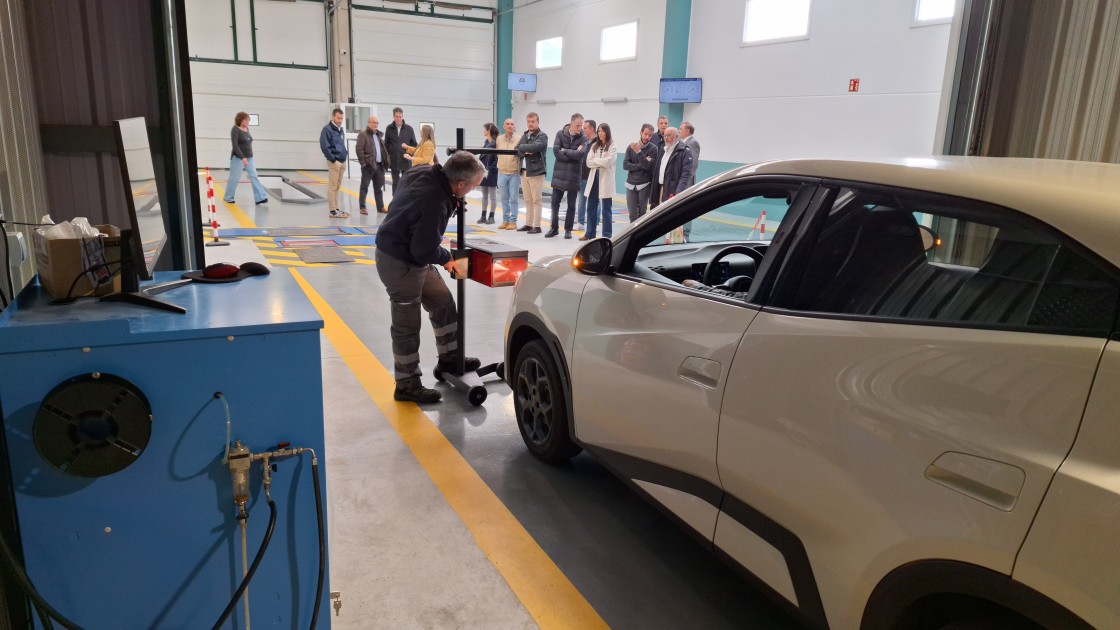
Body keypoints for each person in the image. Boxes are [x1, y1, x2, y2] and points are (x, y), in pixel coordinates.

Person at [373, 151, 487, 403]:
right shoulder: (434, 202)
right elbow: (423, 249)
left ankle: (449, 360)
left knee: (443, 302)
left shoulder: (425, 171)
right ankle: (406, 384)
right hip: (398, 262)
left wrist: (452, 201)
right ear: (460, 184)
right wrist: (447, 258)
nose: (471, 191)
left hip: (414, 258)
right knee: (407, 325)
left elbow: (406, 187)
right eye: (472, 187)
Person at [546, 113, 585, 238]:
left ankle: (568, 229)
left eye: (581, 125)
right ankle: (554, 227)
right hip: (559, 175)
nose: (580, 128)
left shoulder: (583, 137)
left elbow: (581, 155)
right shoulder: (560, 134)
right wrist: (573, 153)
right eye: (578, 125)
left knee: (571, 205)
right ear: (571, 123)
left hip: (574, 176)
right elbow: (556, 152)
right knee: (554, 203)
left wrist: (566, 151)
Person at [223, 112, 269, 206]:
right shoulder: (235, 129)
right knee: (234, 178)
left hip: (250, 157)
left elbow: (247, 142)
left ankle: (260, 197)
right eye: (246, 120)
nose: (248, 121)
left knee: (254, 176)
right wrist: (242, 157)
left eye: (248, 120)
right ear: (240, 119)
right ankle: (228, 197)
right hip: (238, 158)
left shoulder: (247, 129)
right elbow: (235, 145)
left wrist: (248, 156)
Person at [581, 123, 617, 241]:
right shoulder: (594, 146)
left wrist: (596, 161)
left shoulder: (612, 146)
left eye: (603, 131)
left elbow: (608, 162)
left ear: (607, 132)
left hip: (605, 180)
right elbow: (588, 162)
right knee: (591, 206)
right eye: (599, 131)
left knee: (606, 209)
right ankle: (589, 233)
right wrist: (600, 161)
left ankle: (607, 235)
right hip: (594, 178)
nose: (600, 133)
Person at [515, 112, 548, 234]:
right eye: (528, 122)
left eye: (533, 121)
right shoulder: (525, 135)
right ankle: (528, 224)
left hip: (536, 172)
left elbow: (535, 147)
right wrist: (524, 150)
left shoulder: (542, 136)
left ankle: (537, 226)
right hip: (524, 172)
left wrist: (523, 148)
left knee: (536, 200)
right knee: (527, 199)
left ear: (538, 122)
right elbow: (516, 150)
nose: (530, 124)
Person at [652, 127, 694, 210]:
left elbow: (686, 174)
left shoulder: (684, 151)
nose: (666, 138)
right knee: (660, 215)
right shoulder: (663, 150)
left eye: (669, 136)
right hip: (661, 188)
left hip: (673, 190)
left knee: (671, 215)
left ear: (676, 137)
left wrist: (679, 192)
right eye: (664, 136)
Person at [355, 114, 390, 215]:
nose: (376, 124)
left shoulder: (378, 135)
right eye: (374, 122)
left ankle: (380, 207)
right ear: (369, 123)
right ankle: (362, 207)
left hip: (379, 166)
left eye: (377, 122)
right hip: (368, 165)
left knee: (378, 187)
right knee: (364, 186)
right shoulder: (363, 134)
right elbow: (359, 149)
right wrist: (363, 163)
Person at [623, 123, 657, 222]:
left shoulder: (653, 149)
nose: (647, 137)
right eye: (645, 134)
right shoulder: (631, 147)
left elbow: (648, 167)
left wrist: (638, 152)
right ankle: (633, 236)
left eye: (650, 135)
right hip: (630, 183)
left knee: (642, 214)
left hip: (644, 184)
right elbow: (625, 165)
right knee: (632, 214)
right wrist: (642, 163)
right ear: (641, 132)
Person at [319, 108, 349, 218]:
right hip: (334, 162)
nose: (340, 120)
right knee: (332, 186)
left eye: (341, 118)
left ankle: (336, 209)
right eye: (338, 118)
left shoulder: (340, 130)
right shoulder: (327, 129)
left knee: (337, 186)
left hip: (342, 162)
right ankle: (332, 211)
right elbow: (324, 146)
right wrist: (333, 160)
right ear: (333, 117)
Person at [495, 118, 522, 230]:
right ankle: (505, 220)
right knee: (504, 198)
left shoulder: (519, 139)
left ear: (514, 127)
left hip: (514, 173)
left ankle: (513, 221)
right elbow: (497, 153)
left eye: (512, 124)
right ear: (504, 126)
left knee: (514, 199)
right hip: (501, 172)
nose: (510, 126)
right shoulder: (499, 139)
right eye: (508, 124)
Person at [384, 107, 417, 193]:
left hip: (406, 161)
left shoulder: (409, 129)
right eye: (396, 116)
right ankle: (395, 202)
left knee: (406, 183)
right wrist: (387, 158)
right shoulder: (389, 128)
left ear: (402, 117)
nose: (398, 118)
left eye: (400, 116)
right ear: (393, 117)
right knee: (395, 183)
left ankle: (405, 202)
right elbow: (386, 144)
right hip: (394, 161)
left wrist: (410, 156)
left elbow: (414, 145)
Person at [574, 118, 595, 232]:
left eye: (585, 128)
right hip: (582, 176)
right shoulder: (584, 141)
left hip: (592, 177)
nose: (583, 130)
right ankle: (580, 222)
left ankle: (595, 223)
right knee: (581, 200)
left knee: (595, 201)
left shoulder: (597, 142)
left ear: (591, 129)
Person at [477, 122, 499, 225]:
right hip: (484, 172)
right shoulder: (486, 142)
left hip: (491, 172)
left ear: (488, 130)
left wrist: (491, 169)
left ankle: (492, 216)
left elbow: (496, 158)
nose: (483, 131)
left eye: (484, 129)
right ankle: (483, 216)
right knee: (484, 195)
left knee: (493, 196)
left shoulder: (495, 143)